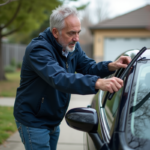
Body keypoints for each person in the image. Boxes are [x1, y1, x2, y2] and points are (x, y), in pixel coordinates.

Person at [14, 5, 131, 150]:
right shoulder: (39, 50)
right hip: (33, 120)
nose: (76, 38)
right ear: (55, 32)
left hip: (53, 119)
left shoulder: (71, 46)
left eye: (78, 32)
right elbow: (59, 78)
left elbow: (88, 67)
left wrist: (111, 66)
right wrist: (98, 82)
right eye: (71, 33)